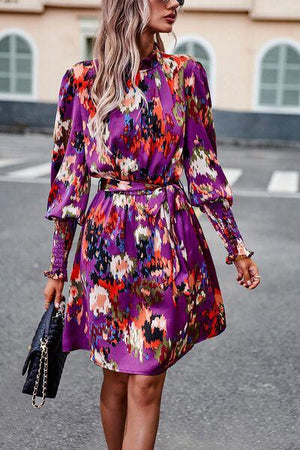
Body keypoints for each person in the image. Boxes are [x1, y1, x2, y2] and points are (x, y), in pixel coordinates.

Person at [43, 0, 261, 448]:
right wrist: (57, 266)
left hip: (165, 239)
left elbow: (202, 166)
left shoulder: (185, 76)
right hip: (105, 246)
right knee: (116, 377)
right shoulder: (83, 79)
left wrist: (235, 244)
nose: (175, 2)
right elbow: (69, 178)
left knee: (146, 378)